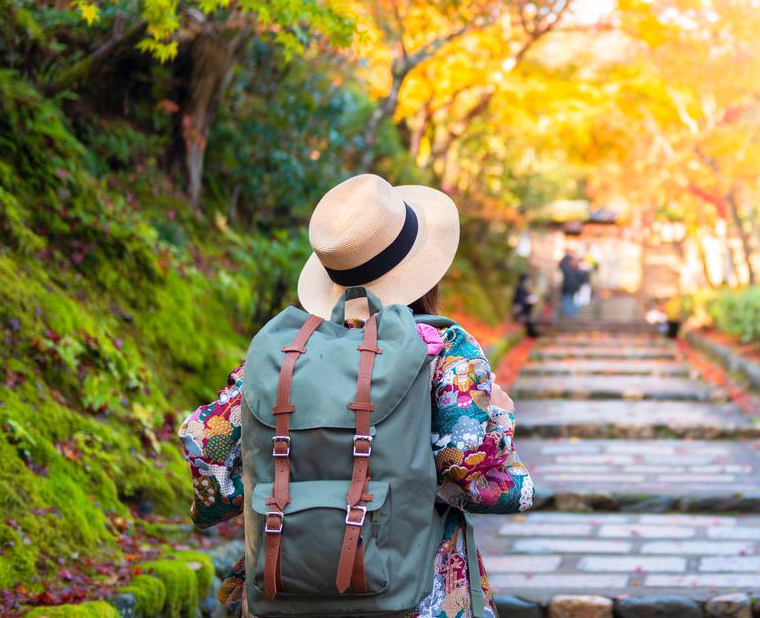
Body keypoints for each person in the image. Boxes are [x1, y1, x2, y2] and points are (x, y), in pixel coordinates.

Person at [178, 174, 535, 618]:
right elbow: (478, 484)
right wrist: (501, 420)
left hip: (287, 587)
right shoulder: (443, 350)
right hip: (416, 594)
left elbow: (209, 464)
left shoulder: (283, 357)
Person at [558, 250, 588, 318]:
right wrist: (568, 255)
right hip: (567, 289)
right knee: (567, 302)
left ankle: (573, 315)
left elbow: (585, 279)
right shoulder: (567, 270)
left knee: (574, 303)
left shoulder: (579, 272)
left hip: (574, 290)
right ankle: (567, 315)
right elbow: (561, 264)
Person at [511, 273, 538, 338]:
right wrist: (528, 300)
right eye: (528, 281)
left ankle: (531, 332)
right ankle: (530, 332)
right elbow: (519, 300)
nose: (529, 282)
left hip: (524, 310)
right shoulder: (520, 289)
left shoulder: (525, 289)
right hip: (520, 309)